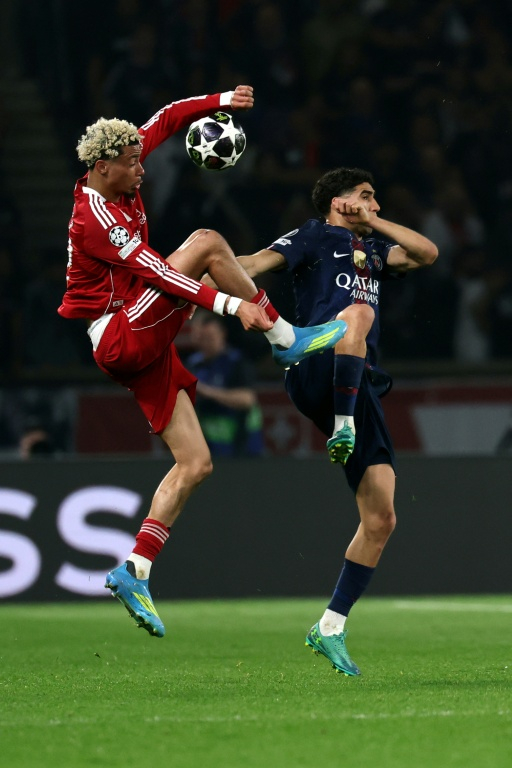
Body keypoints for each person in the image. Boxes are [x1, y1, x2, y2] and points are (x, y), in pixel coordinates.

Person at [57, 85, 348, 638]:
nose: (141, 168)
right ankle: (283, 335)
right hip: (118, 335)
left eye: (139, 158)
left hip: (140, 344)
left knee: (195, 462)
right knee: (208, 244)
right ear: (101, 169)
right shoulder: (94, 217)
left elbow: (165, 117)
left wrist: (219, 100)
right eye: (130, 164)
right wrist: (234, 306)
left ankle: (135, 568)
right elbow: (162, 274)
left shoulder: (121, 162)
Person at [234, 167, 438, 675]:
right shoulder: (313, 234)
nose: (374, 202)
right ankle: (343, 425)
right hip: (312, 364)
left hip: (357, 379)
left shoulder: (372, 252)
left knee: (382, 517)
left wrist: (374, 219)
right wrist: (202, 278)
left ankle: (329, 626)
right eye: (365, 195)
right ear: (337, 202)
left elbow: (427, 254)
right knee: (359, 317)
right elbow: (254, 262)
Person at [186, 311, 264, 457]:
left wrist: (206, 391)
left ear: (222, 334)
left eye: (210, 337)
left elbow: (247, 399)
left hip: (243, 446)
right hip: (209, 449)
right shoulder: (192, 365)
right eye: (200, 337)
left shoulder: (237, 362)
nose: (204, 343)